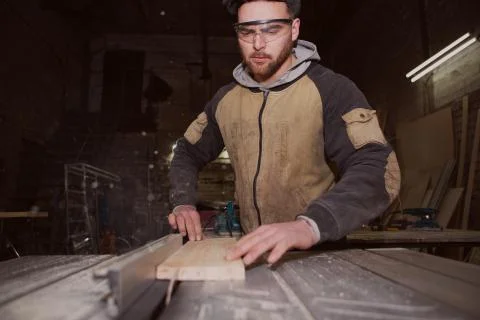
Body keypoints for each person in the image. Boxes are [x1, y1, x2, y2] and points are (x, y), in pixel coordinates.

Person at [168, 0, 400, 266]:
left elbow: (377, 167)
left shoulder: (331, 90)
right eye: (247, 32)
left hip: (318, 251)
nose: (258, 44)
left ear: (294, 29)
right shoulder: (225, 100)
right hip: (252, 251)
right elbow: (186, 151)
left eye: (271, 30)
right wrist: (183, 202)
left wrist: (309, 226)